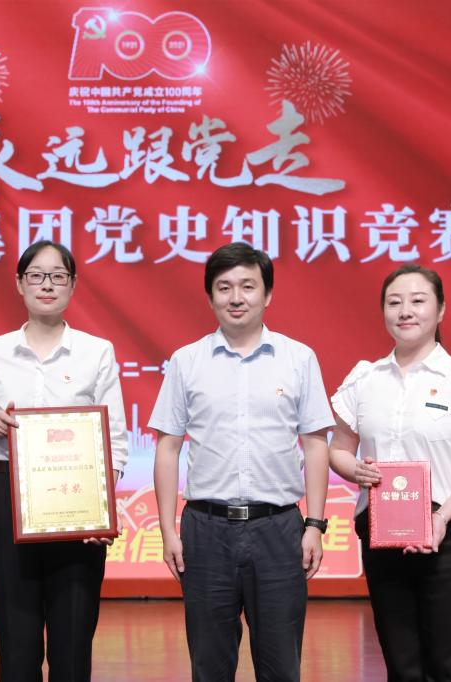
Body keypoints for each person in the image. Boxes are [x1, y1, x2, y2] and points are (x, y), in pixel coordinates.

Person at [149, 242, 333, 682]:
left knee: (281, 666)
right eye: (224, 287)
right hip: (206, 531)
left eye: (248, 286)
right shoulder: (187, 361)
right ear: (210, 296)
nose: (236, 297)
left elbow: (315, 444)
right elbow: (168, 447)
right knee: (209, 665)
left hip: (278, 530)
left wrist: (314, 525)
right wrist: (169, 530)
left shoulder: (298, 358)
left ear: (267, 294)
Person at [328, 263, 451, 681]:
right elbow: (338, 450)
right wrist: (356, 470)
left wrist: (441, 518)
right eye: (394, 302)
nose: (405, 311)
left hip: (450, 531)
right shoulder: (365, 378)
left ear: (440, 310)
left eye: (418, 301)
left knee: (448, 664)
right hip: (382, 529)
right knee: (401, 662)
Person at [0, 240, 127, 682]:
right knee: (16, 640)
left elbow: (114, 439)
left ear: (72, 285)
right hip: (9, 496)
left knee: (73, 640)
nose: (47, 285)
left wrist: (100, 510)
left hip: (77, 503)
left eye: (58, 276)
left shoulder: (97, 351)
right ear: (20, 284)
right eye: (36, 275)